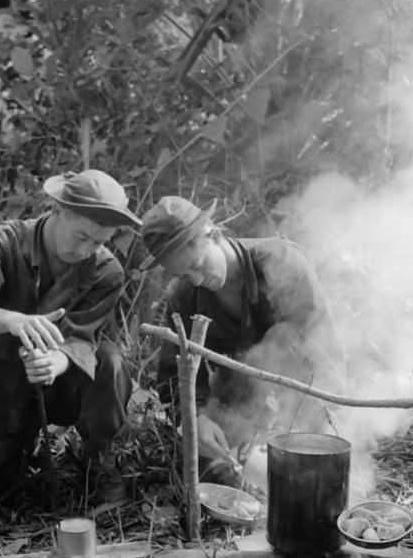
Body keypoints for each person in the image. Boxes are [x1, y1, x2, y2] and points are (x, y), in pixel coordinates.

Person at [0, 169, 140, 512]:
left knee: (110, 361)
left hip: (69, 383)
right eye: (81, 236)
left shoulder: (106, 271)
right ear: (57, 209)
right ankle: (21, 447)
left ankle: (101, 459)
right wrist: (12, 320)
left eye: (99, 242)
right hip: (8, 383)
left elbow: (84, 336)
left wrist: (58, 361)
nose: (86, 250)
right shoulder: (2, 241)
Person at [140, 196, 333, 485]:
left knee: (311, 472)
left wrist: (296, 422)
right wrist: (198, 419)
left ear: (212, 234)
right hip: (238, 394)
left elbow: (322, 346)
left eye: (199, 265)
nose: (196, 280)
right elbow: (174, 376)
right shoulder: (184, 294)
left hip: (302, 390)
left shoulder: (281, 263)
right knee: (213, 471)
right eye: (185, 274)